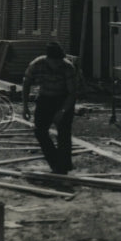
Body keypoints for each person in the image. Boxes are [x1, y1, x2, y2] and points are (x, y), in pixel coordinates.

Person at [22, 41, 77, 175]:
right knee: (40, 131)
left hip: (63, 99)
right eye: (54, 62)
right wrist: (25, 106)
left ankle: (63, 166)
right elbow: (26, 83)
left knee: (64, 134)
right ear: (48, 59)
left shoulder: (67, 67)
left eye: (59, 61)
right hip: (45, 99)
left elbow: (73, 93)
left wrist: (62, 111)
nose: (57, 64)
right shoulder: (37, 64)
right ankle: (55, 161)